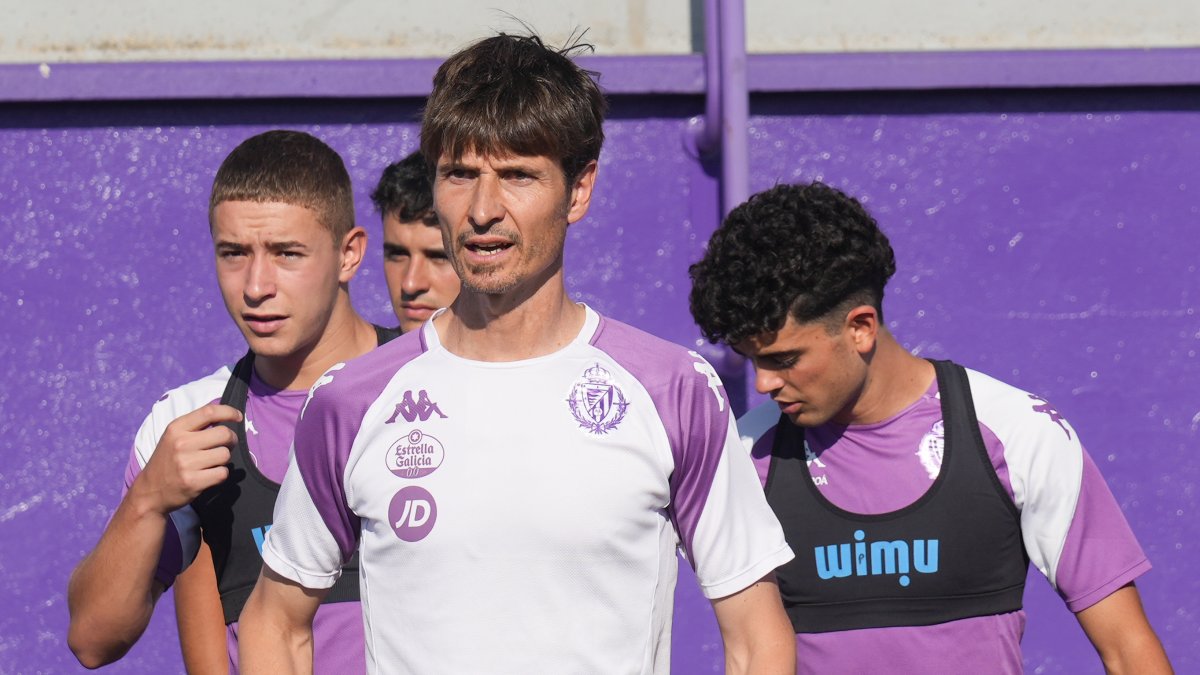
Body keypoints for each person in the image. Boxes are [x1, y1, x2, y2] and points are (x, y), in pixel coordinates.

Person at [239, 33, 797, 674]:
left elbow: (757, 638)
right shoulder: (348, 401)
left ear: (579, 190)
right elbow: (273, 624)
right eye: (459, 175)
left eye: (517, 176)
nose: (482, 210)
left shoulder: (672, 390)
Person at [688, 181, 1174, 674]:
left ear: (860, 327)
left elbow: (1128, 649)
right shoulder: (746, 453)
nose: (764, 382)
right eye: (752, 361)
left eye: (784, 359)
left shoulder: (1017, 433)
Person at [67, 130, 394, 673]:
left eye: (287, 254)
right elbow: (93, 639)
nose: (256, 285)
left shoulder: (430, 386)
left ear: (349, 254)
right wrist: (148, 498)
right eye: (234, 254)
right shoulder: (188, 421)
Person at [370, 149, 461, 332]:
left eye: (439, 257)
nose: (410, 284)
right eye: (397, 255)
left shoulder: (530, 358)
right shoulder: (361, 360)